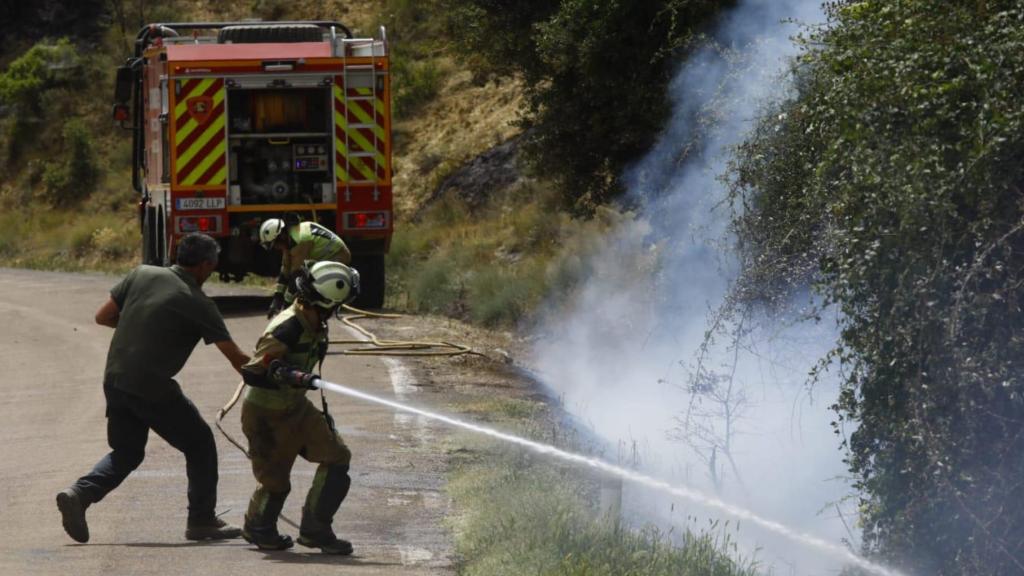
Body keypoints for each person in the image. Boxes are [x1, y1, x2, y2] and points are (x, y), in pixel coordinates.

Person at [56, 233, 251, 543]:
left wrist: (141, 326)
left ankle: (79, 494)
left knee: (127, 452)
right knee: (200, 443)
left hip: (115, 379)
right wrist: (271, 378)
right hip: (151, 386)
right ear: (205, 265)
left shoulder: (142, 273)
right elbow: (236, 358)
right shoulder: (198, 302)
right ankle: (201, 520)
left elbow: (103, 316)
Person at [239, 261, 359, 554]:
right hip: (266, 414)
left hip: (296, 407)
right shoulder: (287, 327)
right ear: (328, 303)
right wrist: (282, 371)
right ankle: (258, 527)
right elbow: (253, 372)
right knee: (276, 481)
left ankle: (316, 530)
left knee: (337, 457)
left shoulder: (314, 320)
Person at [259, 217, 352, 318]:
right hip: (324, 259)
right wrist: (277, 297)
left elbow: (296, 275)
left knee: (306, 284)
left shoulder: (300, 241)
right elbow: (286, 268)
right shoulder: (289, 238)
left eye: (275, 244)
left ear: (281, 236)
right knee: (302, 281)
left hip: (338, 257)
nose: (276, 248)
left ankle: (320, 314)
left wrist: (286, 308)